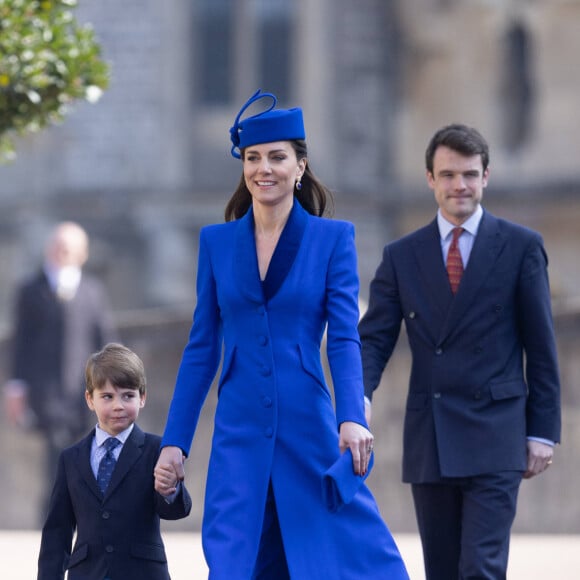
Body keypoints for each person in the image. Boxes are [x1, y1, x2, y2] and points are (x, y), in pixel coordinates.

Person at [153, 89, 409, 579]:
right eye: (252, 158)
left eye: (276, 157)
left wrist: (351, 415)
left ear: (300, 166)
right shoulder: (216, 242)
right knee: (236, 560)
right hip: (238, 429)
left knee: (342, 555)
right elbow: (202, 346)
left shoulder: (334, 239)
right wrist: (175, 442)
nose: (262, 169)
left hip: (309, 426)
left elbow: (343, 337)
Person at [358, 123, 562, 580]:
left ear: (486, 176)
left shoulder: (521, 247)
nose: (459, 186)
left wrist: (543, 431)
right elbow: (374, 338)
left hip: (497, 434)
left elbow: (542, 346)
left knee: (481, 569)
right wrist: (358, 398)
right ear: (430, 179)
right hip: (431, 435)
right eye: (448, 175)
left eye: (469, 174)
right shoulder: (401, 256)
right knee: (443, 571)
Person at [37, 342, 192, 580]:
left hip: (143, 573)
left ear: (142, 398)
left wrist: (170, 490)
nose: (118, 405)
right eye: (107, 396)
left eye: (127, 396)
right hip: (87, 574)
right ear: (90, 399)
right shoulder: (70, 459)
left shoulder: (157, 450)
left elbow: (175, 510)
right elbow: (57, 532)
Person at [3, 221, 117, 519]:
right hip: (47, 391)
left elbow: (104, 339)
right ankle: (54, 520)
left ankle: (84, 517)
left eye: (69, 248)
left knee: (87, 455)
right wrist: (15, 387)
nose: (62, 252)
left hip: (84, 391)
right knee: (56, 456)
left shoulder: (92, 292)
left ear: (82, 253)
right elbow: (21, 342)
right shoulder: (31, 290)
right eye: (58, 246)